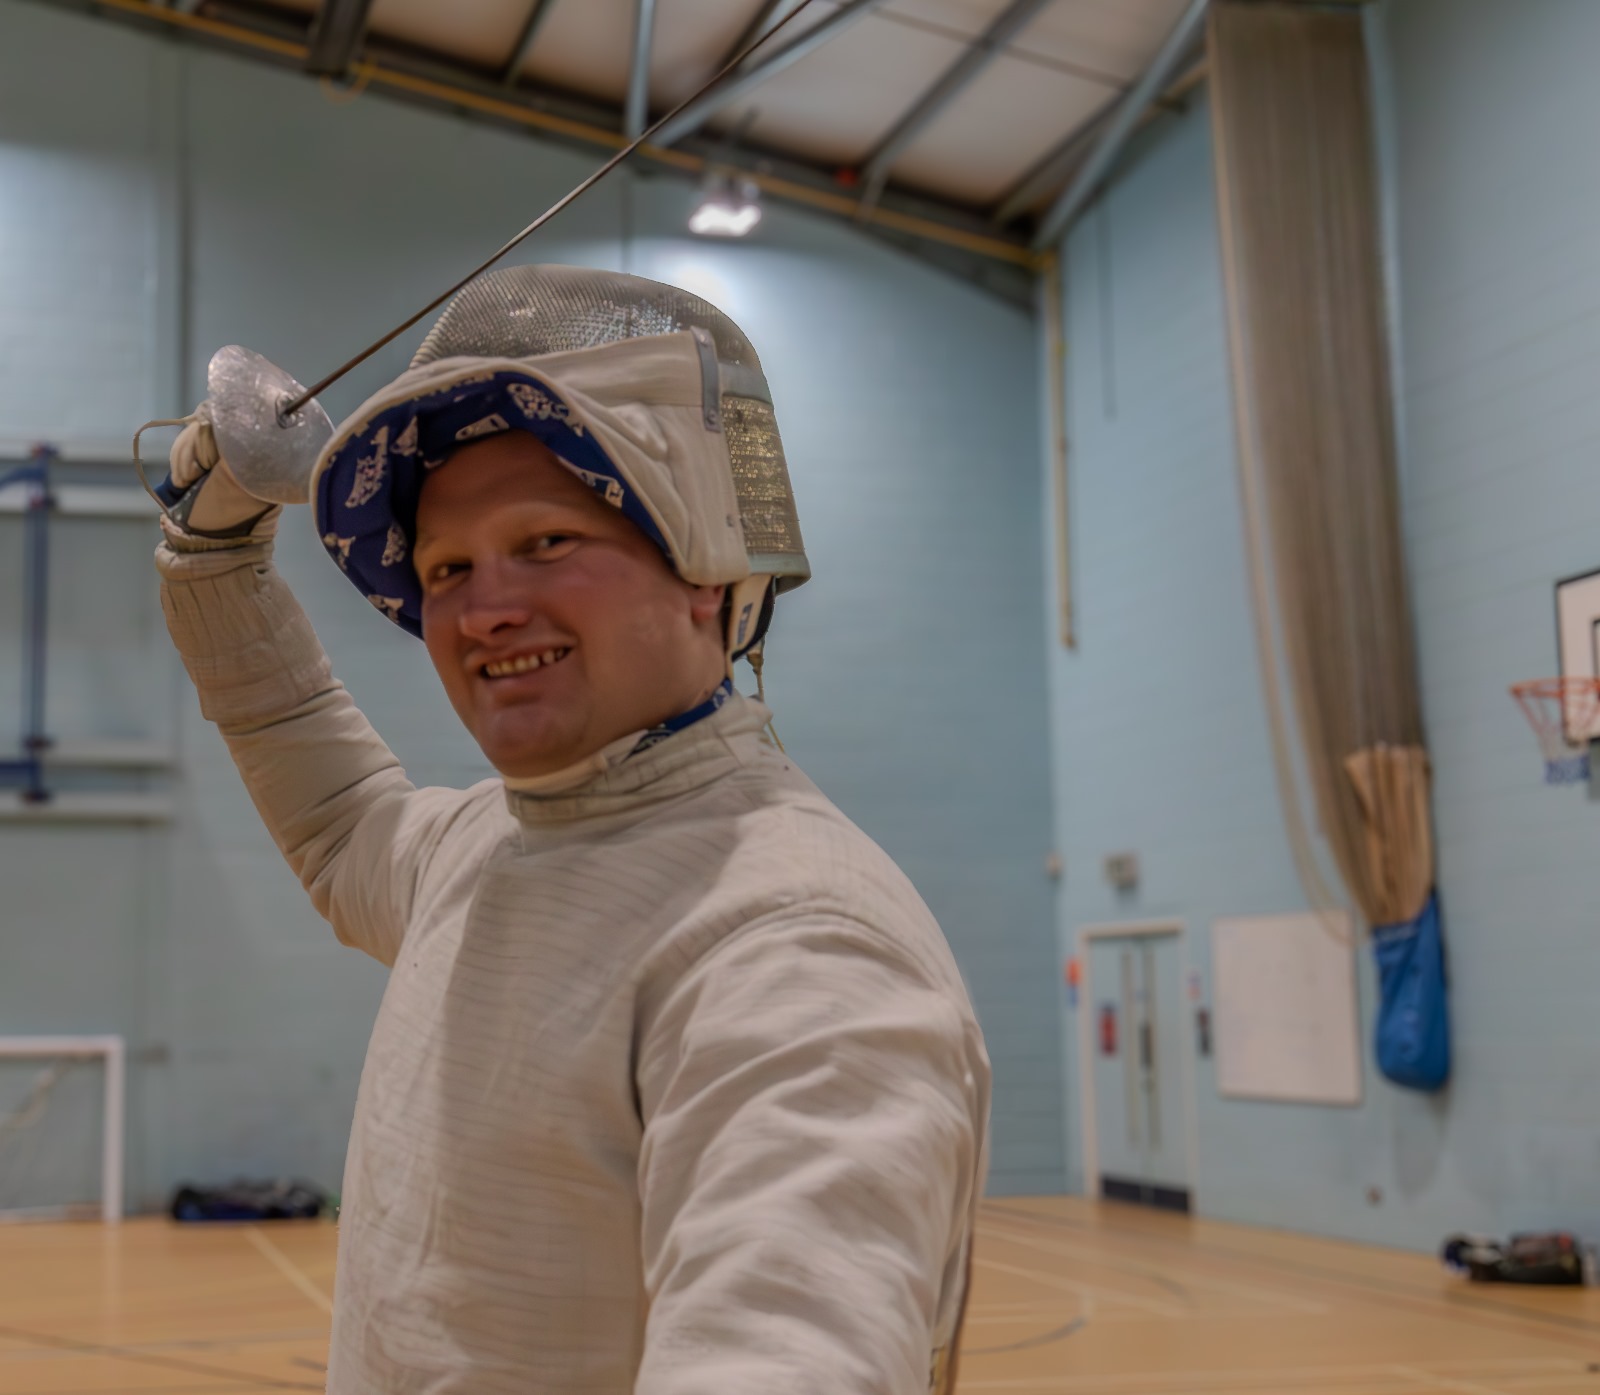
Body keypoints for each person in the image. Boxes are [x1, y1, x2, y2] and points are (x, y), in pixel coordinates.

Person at [154, 264, 991, 1394]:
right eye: (447, 567)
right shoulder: (481, 849)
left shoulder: (797, 949)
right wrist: (210, 560)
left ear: (704, 570)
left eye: (546, 542)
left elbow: (785, 1344)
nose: (485, 609)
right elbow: (337, 813)